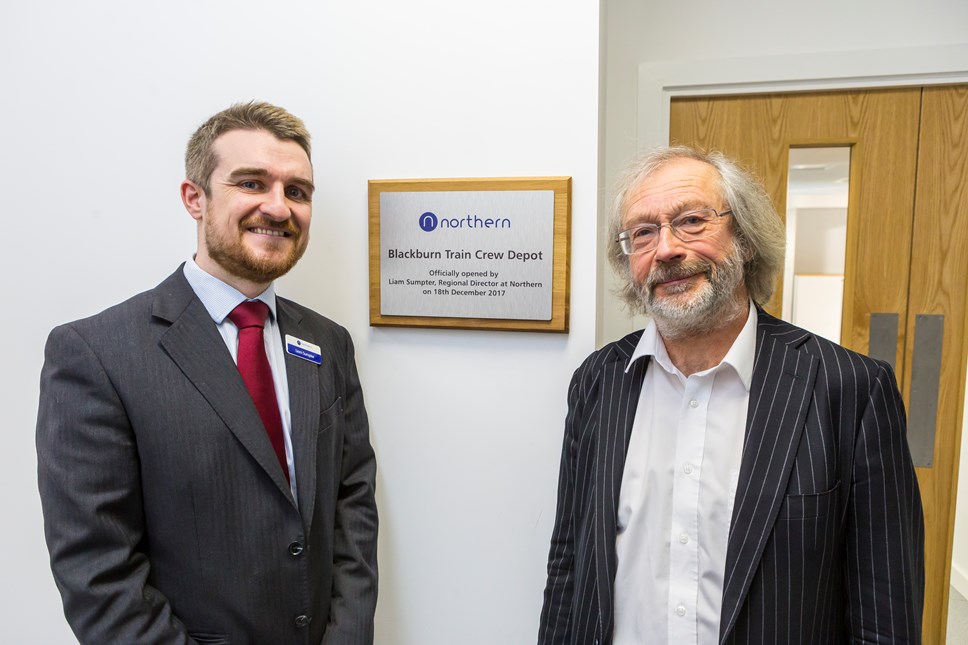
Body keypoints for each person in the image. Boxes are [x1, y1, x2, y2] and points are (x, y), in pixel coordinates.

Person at [538, 146, 924, 644]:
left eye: (692, 221)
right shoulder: (598, 382)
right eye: (643, 233)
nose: (667, 250)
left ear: (744, 238)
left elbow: (885, 612)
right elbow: (569, 561)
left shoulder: (848, 389)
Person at [36, 101, 378, 645]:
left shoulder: (327, 342)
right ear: (194, 198)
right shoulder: (96, 354)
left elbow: (352, 507)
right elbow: (97, 573)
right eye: (251, 182)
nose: (279, 207)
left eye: (297, 191)